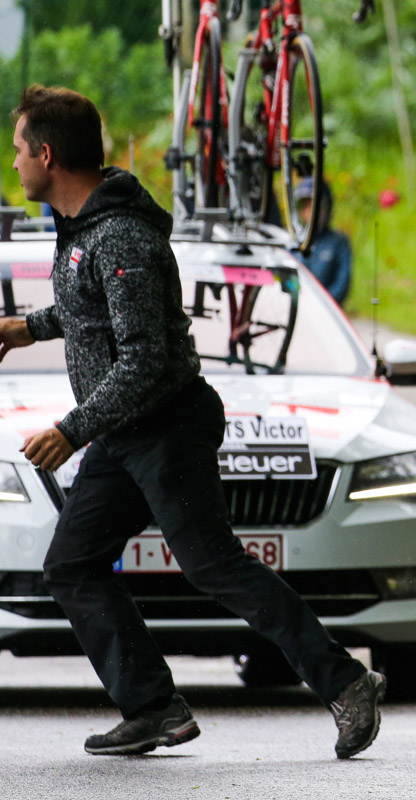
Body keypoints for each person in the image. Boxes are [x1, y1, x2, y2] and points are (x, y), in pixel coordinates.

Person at [0, 85, 385, 757]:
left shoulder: (118, 235)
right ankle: (151, 706)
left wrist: (71, 429)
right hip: (125, 433)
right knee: (72, 566)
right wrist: (26, 328)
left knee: (214, 565)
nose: (14, 165)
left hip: (164, 425)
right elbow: (92, 311)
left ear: (47, 154)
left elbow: (147, 358)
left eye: (18, 151)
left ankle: (347, 681)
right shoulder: (88, 231)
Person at [296, 178, 352, 305]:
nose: (311, 213)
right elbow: (285, 278)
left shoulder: (338, 242)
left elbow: (342, 284)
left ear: (327, 208)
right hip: (297, 310)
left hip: (327, 311)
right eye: (307, 206)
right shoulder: (292, 243)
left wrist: (321, 305)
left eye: (316, 207)